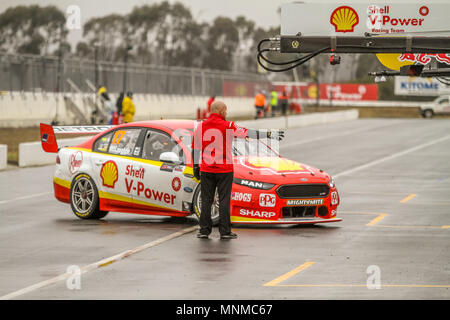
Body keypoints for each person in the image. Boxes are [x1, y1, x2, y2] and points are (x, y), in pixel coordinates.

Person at [193, 100, 284, 240]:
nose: (226, 113)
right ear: (221, 110)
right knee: (224, 200)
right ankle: (225, 232)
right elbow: (248, 133)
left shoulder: (201, 126)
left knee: (206, 200)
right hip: (224, 169)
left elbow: (195, 147)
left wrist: (195, 166)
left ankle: (204, 230)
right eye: (225, 110)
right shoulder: (228, 125)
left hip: (207, 169)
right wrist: (269, 134)